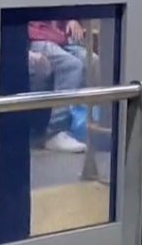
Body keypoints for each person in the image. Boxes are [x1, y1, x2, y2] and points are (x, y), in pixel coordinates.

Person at [27, 20, 97, 153]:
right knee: (71, 66)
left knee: (91, 61)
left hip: (60, 37)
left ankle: (87, 125)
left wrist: (70, 20)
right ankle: (54, 131)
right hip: (36, 38)